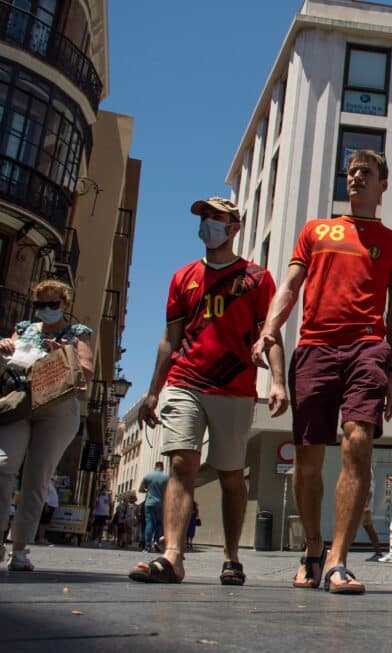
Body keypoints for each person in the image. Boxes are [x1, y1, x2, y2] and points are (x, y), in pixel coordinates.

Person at [252, 149, 392, 594]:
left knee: (357, 442)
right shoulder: (315, 230)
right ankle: (313, 546)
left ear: (383, 184)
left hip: (368, 346)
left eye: (367, 172)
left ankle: (339, 559)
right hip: (315, 347)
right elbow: (289, 287)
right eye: (352, 171)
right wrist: (269, 328)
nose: (356, 177)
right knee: (307, 461)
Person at [129, 196, 285, 586]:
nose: (208, 225)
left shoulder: (257, 278)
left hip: (234, 387)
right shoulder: (183, 277)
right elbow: (170, 338)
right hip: (186, 381)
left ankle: (232, 557)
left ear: (234, 228)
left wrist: (279, 381)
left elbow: (272, 333)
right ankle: (172, 555)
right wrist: (154, 390)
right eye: (204, 218)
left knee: (232, 474)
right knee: (181, 464)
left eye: (217, 219)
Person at [0, 280, 94, 571]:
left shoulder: (77, 334)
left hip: (58, 407)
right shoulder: (25, 328)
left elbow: (87, 372)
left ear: (64, 305)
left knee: (37, 477)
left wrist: (61, 355)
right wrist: (4, 347)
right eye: (41, 304)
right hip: (19, 402)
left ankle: (20, 549)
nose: (47, 310)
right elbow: (11, 357)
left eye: (53, 304)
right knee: (3, 466)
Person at [137, 461, 169, 554]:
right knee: (159, 524)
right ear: (162, 468)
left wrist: (148, 490)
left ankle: (147, 546)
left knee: (150, 523)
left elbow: (140, 489)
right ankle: (156, 542)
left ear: (155, 467)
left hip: (150, 503)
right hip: (161, 503)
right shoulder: (166, 477)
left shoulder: (148, 476)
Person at [361, 466, 384, 562]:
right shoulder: (366, 468)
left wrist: (366, 504)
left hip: (364, 505)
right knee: (368, 527)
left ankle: (379, 553)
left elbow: (369, 489)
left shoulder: (366, 469)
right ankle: (378, 552)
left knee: (368, 527)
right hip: (363, 504)